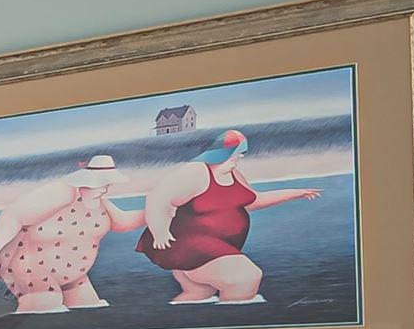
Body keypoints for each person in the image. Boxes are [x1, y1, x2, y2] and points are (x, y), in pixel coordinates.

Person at [138, 129, 322, 304]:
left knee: (200, 294)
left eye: (241, 152)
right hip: (185, 244)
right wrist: (159, 231)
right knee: (246, 277)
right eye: (238, 151)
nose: (240, 156)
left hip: (211, 246)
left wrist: (295, 192)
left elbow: (253, 200)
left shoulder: (233, 174)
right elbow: (158, 197)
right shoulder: (196, 172)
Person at [0, 154, 148, 313]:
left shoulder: (98, 201)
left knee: (89, 308)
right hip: (32, 267)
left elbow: (123, 221)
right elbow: (14, 215)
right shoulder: (62, 192)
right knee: (46, 306)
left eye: (107, 183)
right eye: (101, 183)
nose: (105, 188)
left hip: (74, 274)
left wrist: (160, 212)